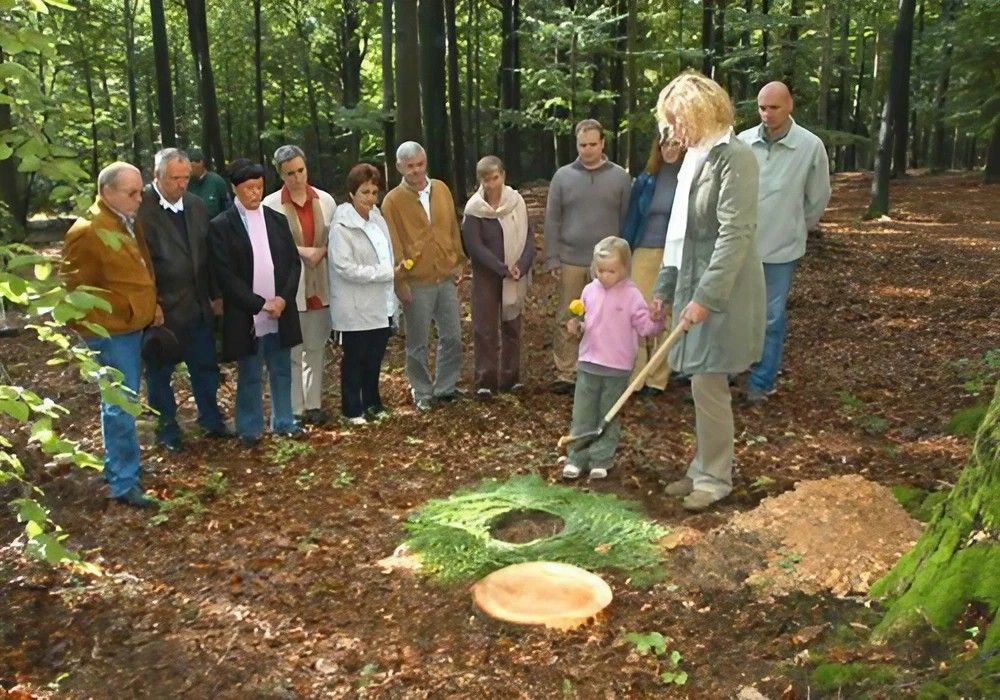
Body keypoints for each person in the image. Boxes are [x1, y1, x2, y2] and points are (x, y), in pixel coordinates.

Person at [650, 71, 765, 512]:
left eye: (679, 120)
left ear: (702, 113)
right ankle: (702, 466)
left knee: (710, 381)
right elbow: (680, 233)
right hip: (694, 283)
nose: (674, 131)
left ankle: (716, 477)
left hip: (726, 291)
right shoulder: (695, 159)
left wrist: (706, 297)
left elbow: (735, 235)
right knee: (700, 382)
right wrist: (666, 287)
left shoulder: (735, 158)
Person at [62, 162, 158, 508]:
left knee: (125, 403)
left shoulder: (126, 219)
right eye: (131, 192)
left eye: (140, 191)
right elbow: (74, 290)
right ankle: (123, 481)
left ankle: (122, 467)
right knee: (120, 405)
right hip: (112, 333)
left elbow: (140, 267)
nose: (139, 198)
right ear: (107, 192)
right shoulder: (87, 230)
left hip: (135, 324)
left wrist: (151, 304)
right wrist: (98, 332)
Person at [737, 81, 832, 404]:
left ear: (789, 106)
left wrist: (796, 227)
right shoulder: (743, 142)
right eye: (762, 107)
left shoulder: (809, 146)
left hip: (782, 248)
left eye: (774, 107)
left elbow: (817, 198)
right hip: (742, 247)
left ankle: (762, 381)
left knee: (772, 316)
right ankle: (730, 369)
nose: (767, 114)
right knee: (737, 313)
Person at [137, 148, 232, 452]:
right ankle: (167, 431)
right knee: (159, 374)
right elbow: (139, 262)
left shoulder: (196, 206)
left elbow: (209, 255)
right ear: (157, 177)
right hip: (162, 309)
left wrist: (216, 295)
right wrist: (150, 304)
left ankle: (211, 420)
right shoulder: (141, 209)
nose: (181, 185)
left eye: (186, 178)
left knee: (204, 366)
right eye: (174, 179)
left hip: (197, 304)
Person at [208, 159, 303, 447]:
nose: (255, 193)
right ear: (236, 189)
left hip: (280, 310)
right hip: (247, 313)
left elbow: (292, 264)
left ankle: (284, 421)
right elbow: (225, 275)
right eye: (249, 188)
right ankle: (250, 428)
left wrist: (283, 299)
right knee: (250, 371)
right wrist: (260, 304)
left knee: (282, 368)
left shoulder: (277, 219)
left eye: (259, 187)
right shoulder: (222, 226)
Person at [562, 236, 665, 481]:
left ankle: (601, 458)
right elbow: (587, 321)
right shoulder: (589, 290)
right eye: (600, 270)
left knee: (608, 414)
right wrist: (576, 325)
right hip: (589, 361)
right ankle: (577, 456)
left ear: (625, 268)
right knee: (583, 412)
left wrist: (656, 318)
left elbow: (645, 328)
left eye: (611, 271)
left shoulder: (631, 295)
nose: (605, 276)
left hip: (617, 366)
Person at [544, 119, 632, 394]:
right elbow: (552, 219)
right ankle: (567, 372)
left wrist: (625, 260)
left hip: (608, 263)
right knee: (568, 313)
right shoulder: (563, 176)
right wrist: (552, 257)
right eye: (583, 145)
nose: (588, 150)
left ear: (603, 143)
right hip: (571, 257)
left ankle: (604, 368)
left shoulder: (620, 177)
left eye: (593, 144)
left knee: (607, 316)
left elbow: (628, 219)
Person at [380, 141, 466, 412]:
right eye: (410, 167)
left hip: (445, 275)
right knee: (418, 341)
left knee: (452, 335)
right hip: (415, 280)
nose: (416, 172)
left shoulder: (440, 189)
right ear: (399, 168)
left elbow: (452, 225)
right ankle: (422, 390)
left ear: (425, 162)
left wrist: (459, 260)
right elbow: (392, 242)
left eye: (420, 165)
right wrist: (399, 280)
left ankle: (445, 387)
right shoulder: (392, 201)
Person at [262, 145, 337, 426]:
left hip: (321, 284)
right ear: (280, 174)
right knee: (292, 350)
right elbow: (270, 245)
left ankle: (314, 402)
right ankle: (294, 408)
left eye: (301, 170)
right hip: (290, 287)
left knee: (316, 347)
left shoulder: (326, 200)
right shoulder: (271, 205)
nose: (297, 178)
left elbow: (335, 237)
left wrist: (323, 249)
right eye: (290, 173)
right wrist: (303, 251)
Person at [328, 164, 400, 424]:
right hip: (354, 305)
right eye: (364, 192)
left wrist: (391, 275)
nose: (370, 198)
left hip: (380, 303)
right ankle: (351, 408)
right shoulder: (342, 227)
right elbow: (344, 267)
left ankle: (372, 402)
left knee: (375, 356)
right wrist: (383, 272)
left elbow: (387, 254)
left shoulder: (378, 218)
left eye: (373, 192)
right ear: (351, 194)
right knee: (355, 358)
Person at [461, 156, 534, 399]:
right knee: (485, 328)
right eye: (486, 179)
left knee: (512, 326)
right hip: (487, 277)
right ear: (479, 180)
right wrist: (502, 268)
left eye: (495, 177)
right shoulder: (474, 210)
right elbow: (474, 246)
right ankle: (485, 380)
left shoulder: (517, 202)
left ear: (503, 175)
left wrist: (520, 266)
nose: (492, 183)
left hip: (514, 275)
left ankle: (511, 378)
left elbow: (528, 239)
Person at [621, 132, 686, 398]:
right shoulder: (647, 178)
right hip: (644, 249)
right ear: (657, 147)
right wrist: (625, 251)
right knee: (638, 312)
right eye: (665, 144)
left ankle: (658, 378)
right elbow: (632, 218)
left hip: (675, 253)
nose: (669, 149)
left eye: (675, 144)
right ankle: (637, 376)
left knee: (666, 313)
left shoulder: (689, 179)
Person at [186, 147, 230, 218]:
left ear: (200, 162)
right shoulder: (184, 183)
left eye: (189, 163)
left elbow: (226, 209)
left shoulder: (217, 181)